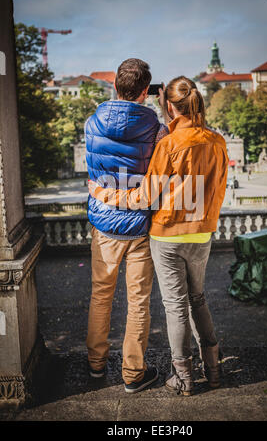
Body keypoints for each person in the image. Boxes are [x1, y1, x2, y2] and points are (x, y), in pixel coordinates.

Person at [89, 76, 229, 396]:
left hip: (167, 235)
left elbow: (145, 198)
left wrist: (108, 196)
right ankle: (214, 368)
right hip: (201, 232)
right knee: (198, 299)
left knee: (175, 306)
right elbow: (217, 192)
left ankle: (184, 376)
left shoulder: (168, 144)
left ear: (169, 104)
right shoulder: (218, 141)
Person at [85, 58, 168, 394]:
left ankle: (95, 365)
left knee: (100, 297)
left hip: (103, 222)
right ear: (145, 92)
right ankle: (133, 373)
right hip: (139, 227)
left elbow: (92, 170)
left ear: (115, 86)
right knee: (138, 302)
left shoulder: (92, 123)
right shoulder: (157, 128)